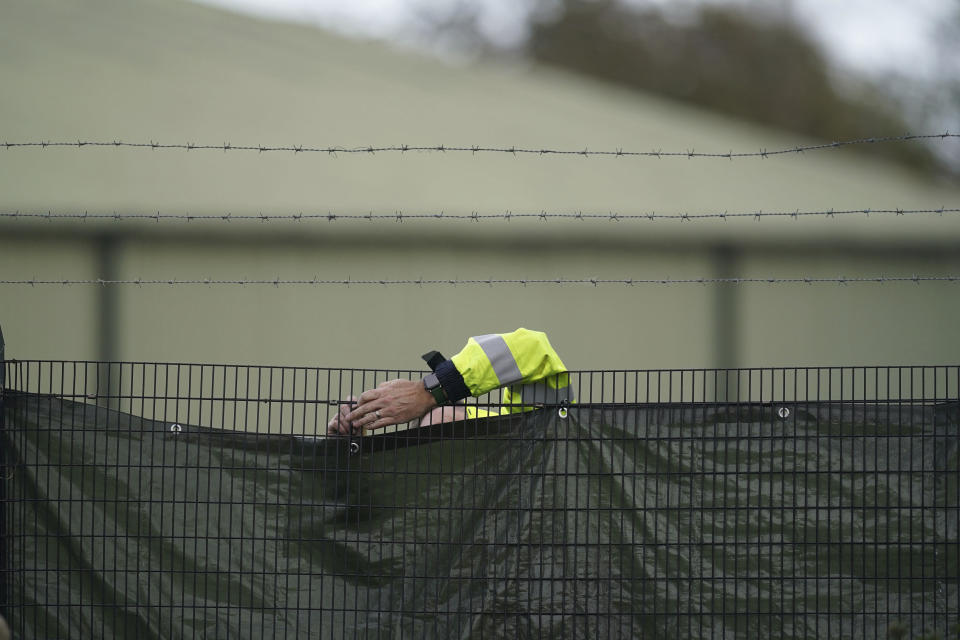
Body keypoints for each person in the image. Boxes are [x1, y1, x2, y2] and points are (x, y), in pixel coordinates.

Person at [327, 328, 574, 435]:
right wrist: (350, 451)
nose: (444, 439)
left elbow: (534, 348)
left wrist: (433, 391)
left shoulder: (528, 435)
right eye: (432, 439)